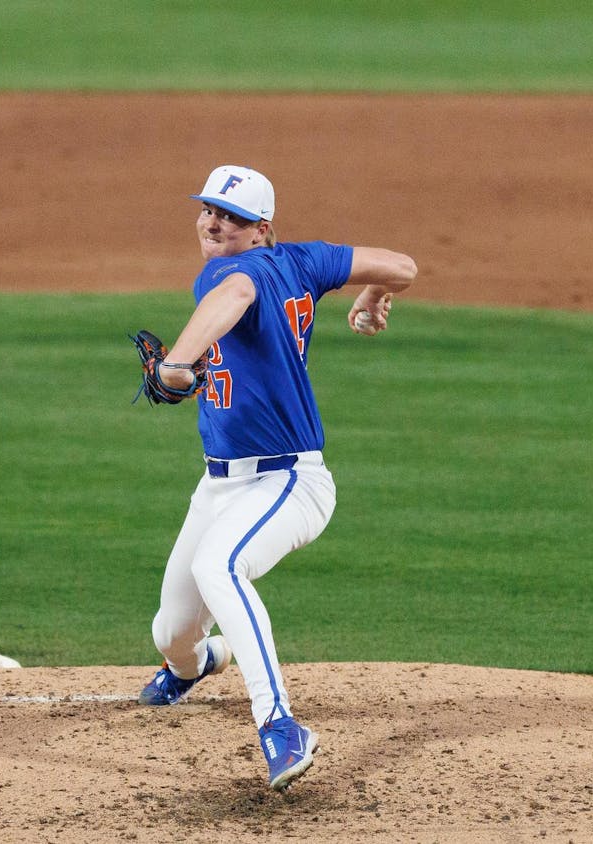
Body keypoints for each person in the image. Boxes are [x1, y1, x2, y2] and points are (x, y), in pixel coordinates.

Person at [134, 164, 417, 790]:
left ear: (260, 229)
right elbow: (402, 265)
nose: (212, 223)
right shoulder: (306, 261)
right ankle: (195, 666)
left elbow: (234, 297)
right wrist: (372, 291)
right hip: (220, 486)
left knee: (220, 567)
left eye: (229, 217)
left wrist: (177, 363)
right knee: (170, 631)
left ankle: (281, 725)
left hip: (289, 482)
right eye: (207, 210)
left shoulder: (230, 272)